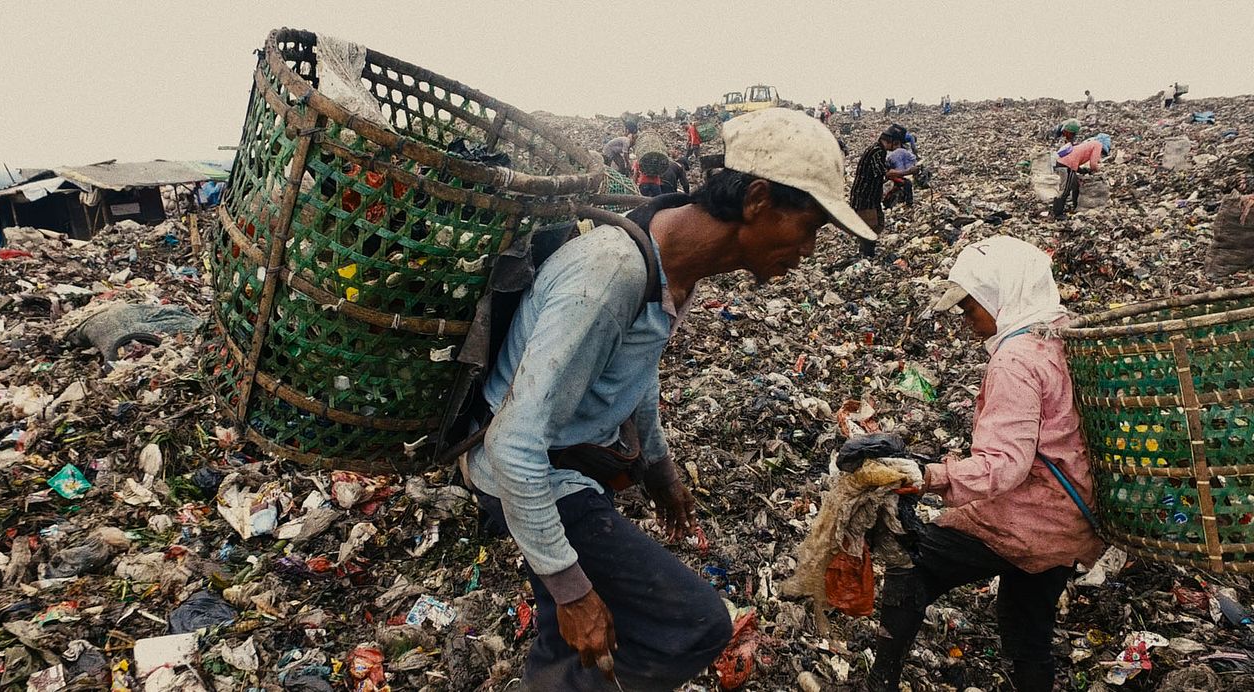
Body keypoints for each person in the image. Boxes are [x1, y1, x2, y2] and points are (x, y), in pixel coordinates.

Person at [468, 108, 877, 691]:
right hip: (534, 480)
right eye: (810, 227)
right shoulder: (611, 271)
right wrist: (571, 588)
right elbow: (512, 444)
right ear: (758, 200)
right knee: (695, 625)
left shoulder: (672, 269)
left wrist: (660, 467)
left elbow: (635, 373)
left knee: (571, 649)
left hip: (562, 470)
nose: (810, 250)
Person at [867, 236, 1104, 692]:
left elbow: (1005, 466)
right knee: (1026, 629)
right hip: (1075, 521)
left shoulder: (1015, 361)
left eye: (971, 306)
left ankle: (881, 681)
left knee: (914, 564)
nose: (966, 319)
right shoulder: (1063, 336)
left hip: (1027, 518)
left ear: (1003, 292)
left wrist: (929, 476)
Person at [850, 123, 907, 256]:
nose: (897, 148)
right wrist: (907, 171)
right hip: (864, 196)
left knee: (878, 224)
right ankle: (866, 255)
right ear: (893, 141)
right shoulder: (876, 151)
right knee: (870, 227)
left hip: (872, 196)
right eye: (897, 144)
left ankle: (866, 251)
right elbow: (884, 173)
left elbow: (882, 174)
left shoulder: (880, 151)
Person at [1052, 133, 1111, 220]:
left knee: (1076, 186)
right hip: (1067, 165)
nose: (1101, 154)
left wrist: (1083, 171)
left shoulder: (1089, 144)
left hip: (1064, 163)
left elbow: (1076, 156)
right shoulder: (1098, 144)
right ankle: (1058, 213)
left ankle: (1076, 207)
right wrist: (1097, 170)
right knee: (1065, 190)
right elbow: (1093, 164)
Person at [884, 142, 919, 207]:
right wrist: (907, 172)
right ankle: (908, 203)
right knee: (907, 183)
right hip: (889, 174)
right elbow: (897, 171)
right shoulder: (899, 155)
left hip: (889, 173)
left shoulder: (895, 153)